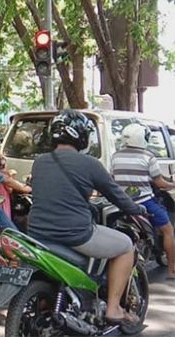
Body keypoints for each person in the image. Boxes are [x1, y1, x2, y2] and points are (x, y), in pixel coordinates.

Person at [28, 110, 146, 327]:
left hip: (37, 232)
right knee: (126, 246)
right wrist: (138, 208)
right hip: (75, 234)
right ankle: (113, 308)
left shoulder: (40, 162)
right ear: (81, 136)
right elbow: (117, 196)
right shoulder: (90, 164)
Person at [112, 123, 175, 278]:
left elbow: (113, 178)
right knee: (168, 230)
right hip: (144, 202)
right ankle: (173, 268)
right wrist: (172, 184)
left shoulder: (115, 156)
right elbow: (159, 183)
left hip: (121, 203)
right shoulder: (148, 157)